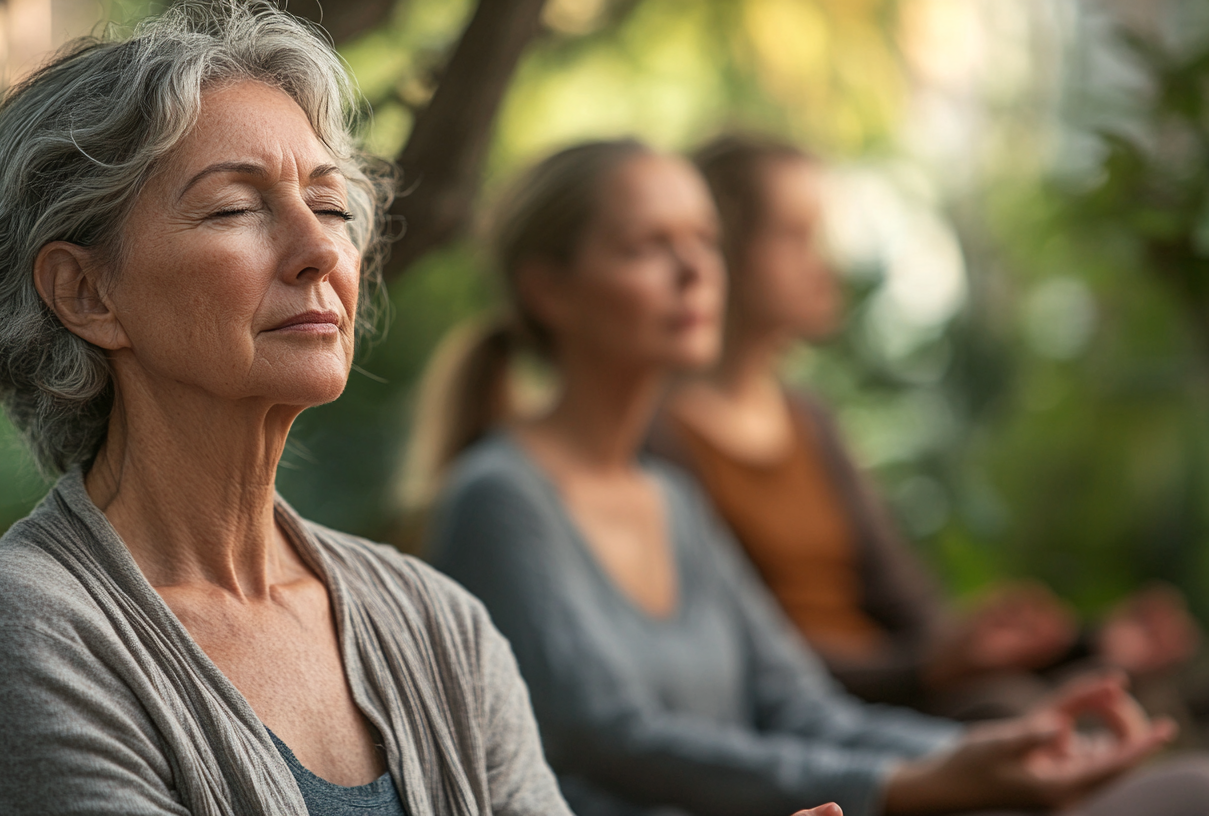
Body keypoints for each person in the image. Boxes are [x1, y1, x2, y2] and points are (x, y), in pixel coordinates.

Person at [0, 4, 575, 814]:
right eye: (235, 208)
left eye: (332, 204)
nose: (319, 250)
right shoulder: (29, 634)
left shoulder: (439, 626)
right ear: (86, 293)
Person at [420, 139, 1207, 815]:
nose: (695, 270)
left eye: (703, 240)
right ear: (547, 289)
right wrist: (905, 781)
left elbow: (799, 706)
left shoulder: (671, 500)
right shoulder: (500, 498)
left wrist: (1009, 747)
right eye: (645, 246)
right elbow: (616, 740)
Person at [650, 133, 1200, 720]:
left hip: (904, 685)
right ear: (727, 248)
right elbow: (738, 655)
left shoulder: (808, 419)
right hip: (825, 711)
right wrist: (924, 671)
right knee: (1016, 716)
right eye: (795, 237)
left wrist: (1080, 646)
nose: (825, 264)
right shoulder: (660, 438)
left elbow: (910, 606)